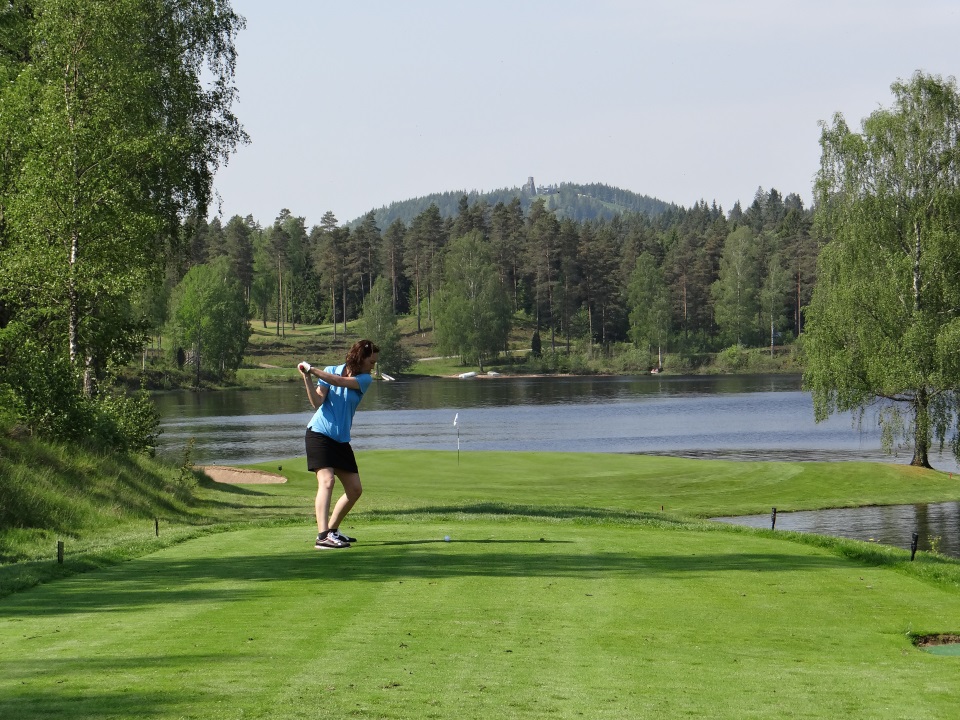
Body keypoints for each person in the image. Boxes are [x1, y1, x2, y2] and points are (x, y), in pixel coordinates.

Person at [299, 339, 379, 549]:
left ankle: (332, 530)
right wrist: (307, 377)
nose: (373, 366)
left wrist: (313, 369)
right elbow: (317, 403)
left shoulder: (365, 379)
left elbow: (339, 382)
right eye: (371, 361)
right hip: (319, 435)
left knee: (355, 490)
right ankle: (323, 536)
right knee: (327, 482)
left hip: (341, 440)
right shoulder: (330, 370)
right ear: (361, 358)